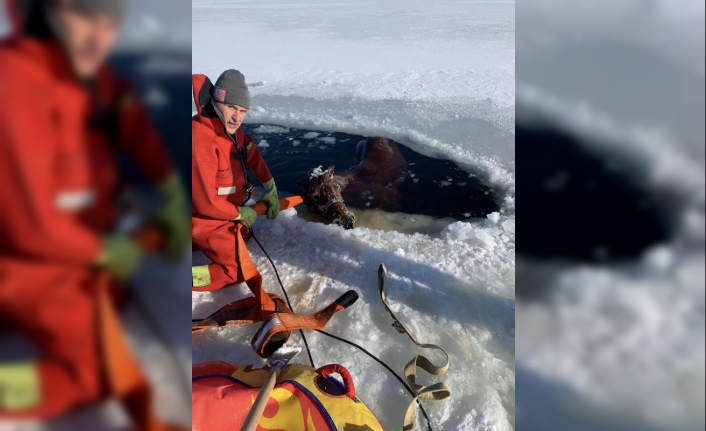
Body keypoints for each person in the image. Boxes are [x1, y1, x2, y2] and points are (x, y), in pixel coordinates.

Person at [0, 0, 189, 428]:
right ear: (45, 13)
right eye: (82, 15)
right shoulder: (14, 82)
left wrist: (170, 192)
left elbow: (134, 125)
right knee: (91, 375)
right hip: (28, 261)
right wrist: (104, 250)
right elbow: (30, 225)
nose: (98, 35)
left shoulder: (93, 78)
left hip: (77, 253)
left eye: (108, 20)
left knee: (114, 305)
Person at [191, 69, 280, 290]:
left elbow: (250, 151)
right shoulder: (200, 140)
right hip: (204, 218)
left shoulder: (230, 132)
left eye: (242, 111)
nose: (236, 117)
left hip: (225, 212)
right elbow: (204, 203)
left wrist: (270, 185)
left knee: (245, 235)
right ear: (215, 102)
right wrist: (239, 213)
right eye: (231, 107)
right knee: (237, 270)